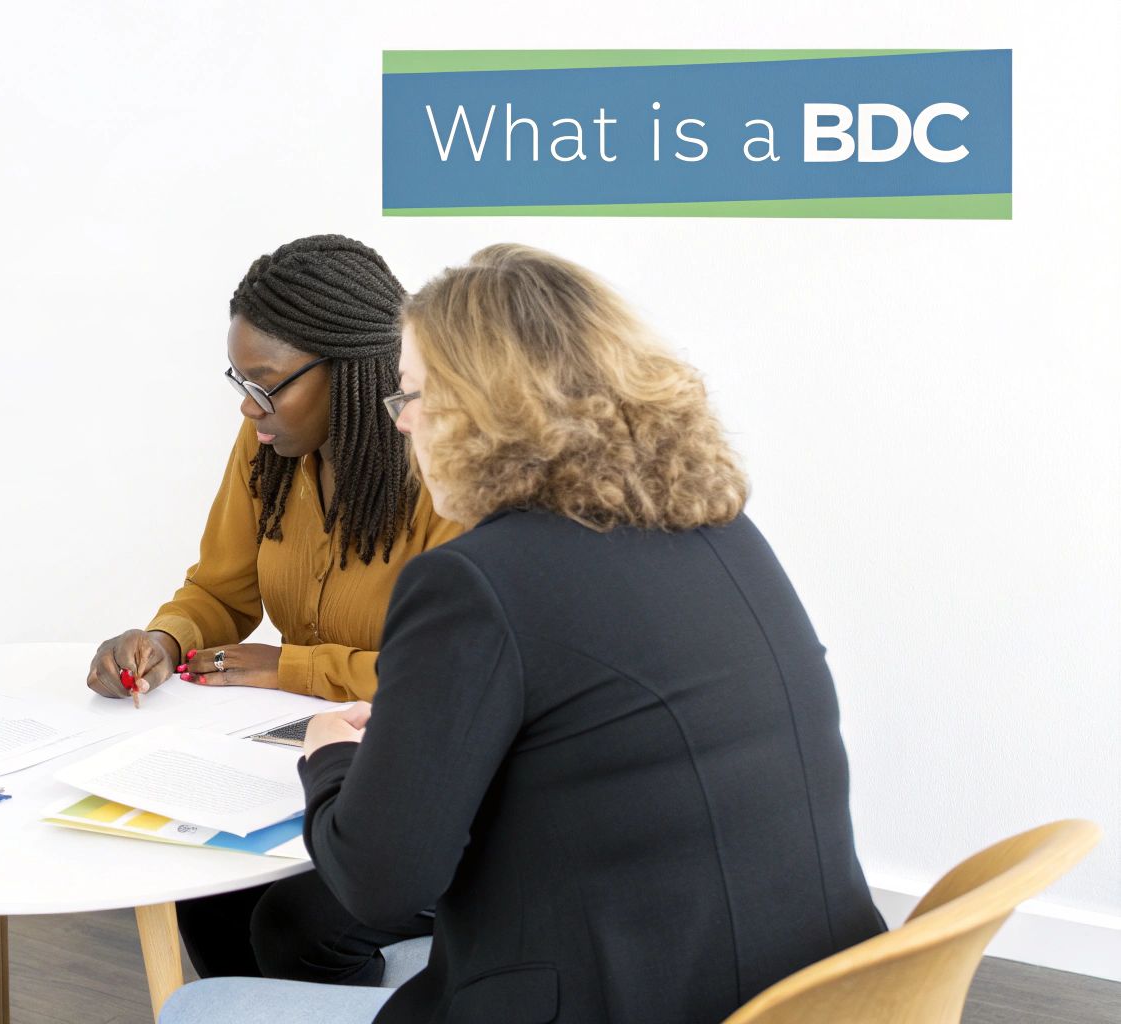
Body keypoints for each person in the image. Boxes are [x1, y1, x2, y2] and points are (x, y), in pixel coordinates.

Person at [162, 243, 885, 1023]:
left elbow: (379, 881)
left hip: (597, 995)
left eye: (409, 396)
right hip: (810, 990)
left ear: (479, 411)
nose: (401, 424)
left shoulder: (478, 579)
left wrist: (329, 753)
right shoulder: (722, 529)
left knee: (196, 1008)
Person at [85, 235, 461, 985]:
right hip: (316, 760)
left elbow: (450, 680)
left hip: (436, 783)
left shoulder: (446, 471)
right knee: (200, 885)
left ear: (350, 373)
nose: (247, 404)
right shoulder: (267, 445)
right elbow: (222, 591)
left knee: (296, 925)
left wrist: (296, 666)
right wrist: (164, 637)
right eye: (240, 380)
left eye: (266, 383)